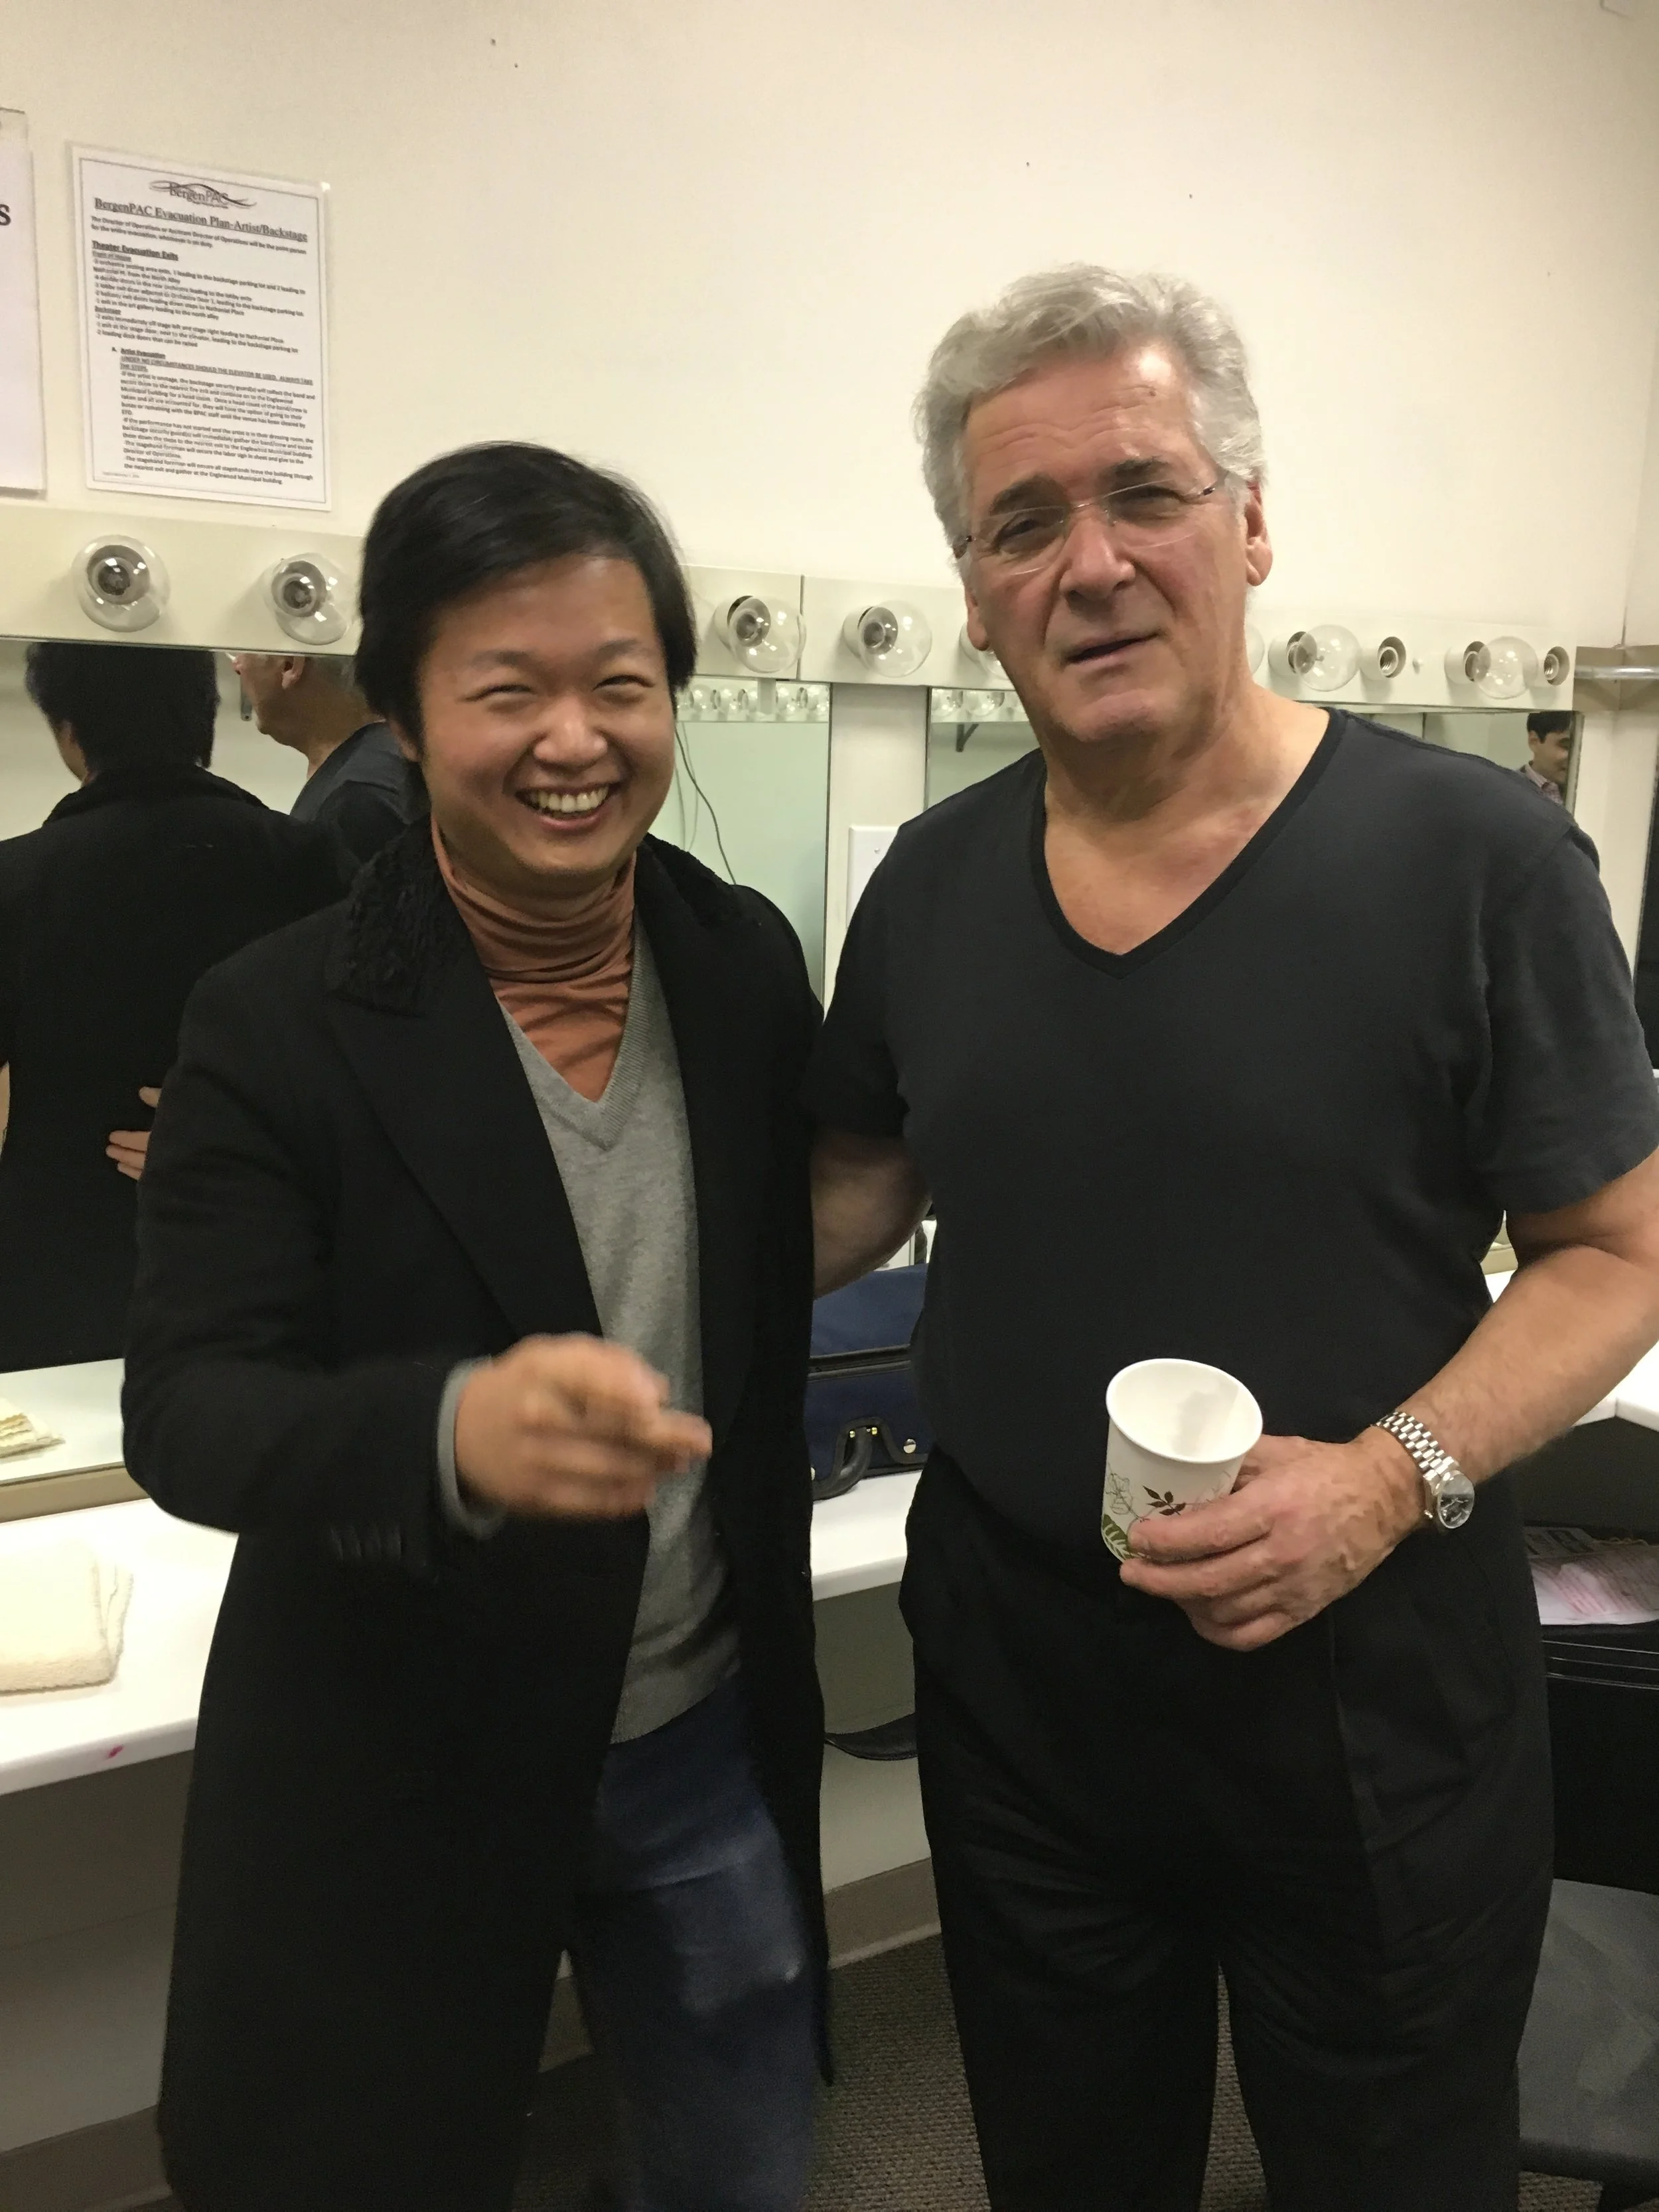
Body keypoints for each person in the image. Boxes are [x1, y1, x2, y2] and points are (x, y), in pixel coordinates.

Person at [808, 266, 1659, 2212]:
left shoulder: (1475, 860)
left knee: (1390, 2167)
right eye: (1022, 523)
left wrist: (1384, 1480)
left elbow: (1613, 1251)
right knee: (1063, 2159)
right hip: (1025, 1673)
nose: (1090, 563)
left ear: (1249, 521)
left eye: (1145, 493)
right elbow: (860, 1184)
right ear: (973, 590)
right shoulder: (932, 886)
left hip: (1365, 1671)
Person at [123, 444, 826, 2212]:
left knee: (739, 2173)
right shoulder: (276, 1019)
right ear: (409, 708)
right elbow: (189, 1408)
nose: (572, 739)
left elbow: (775, 1239)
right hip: (402, 1750)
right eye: (508, 689)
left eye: (620, 684)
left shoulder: (740, 963)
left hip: (694, 1722)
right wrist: (447, 1431)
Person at [0, 642, 349, 1370]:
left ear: (69, 730)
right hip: (275, 1269)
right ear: (204, 719)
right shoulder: (310, 863)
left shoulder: (16, 883)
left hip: (63, 1287)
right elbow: (378, 1066)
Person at [232, 648, 422, 861]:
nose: (236, 666)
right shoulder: (373, 766)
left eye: (243, 652)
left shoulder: (361, 800)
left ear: (290, 665)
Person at [1521, 709, 1574, 804]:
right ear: (1534, 741)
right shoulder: (1505, 790)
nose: (1576, 757)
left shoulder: (1594, 791)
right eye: (1566, 745)